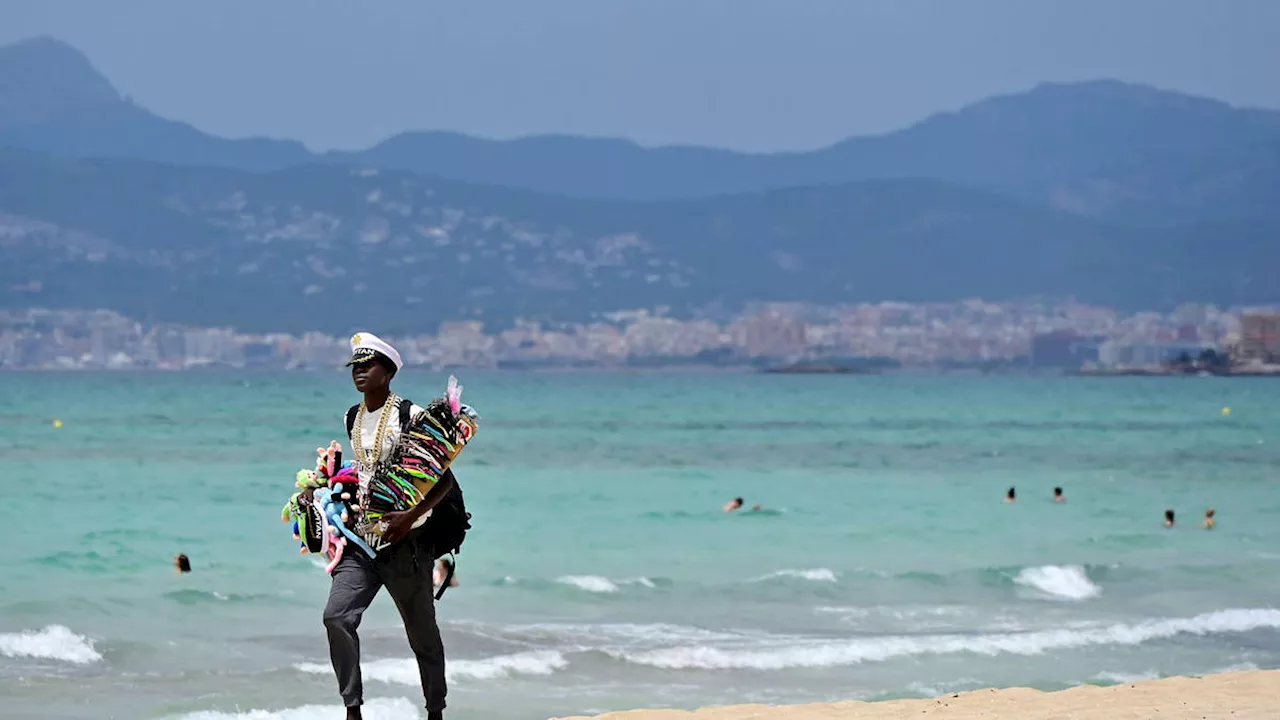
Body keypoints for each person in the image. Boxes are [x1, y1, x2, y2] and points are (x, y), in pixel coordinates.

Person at [323, 333, 453, 720]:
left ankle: (435, 711)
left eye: (368, 365)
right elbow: (361, 471)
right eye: (355, 367)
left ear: (389, 372)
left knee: (422, 637)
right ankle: (353, 710)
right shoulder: (352, 416)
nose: (360, 372)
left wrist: (409, 518)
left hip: (408, 545)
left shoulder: (410, 416)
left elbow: (443, 479)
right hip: (362, 543)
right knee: (336, 617)